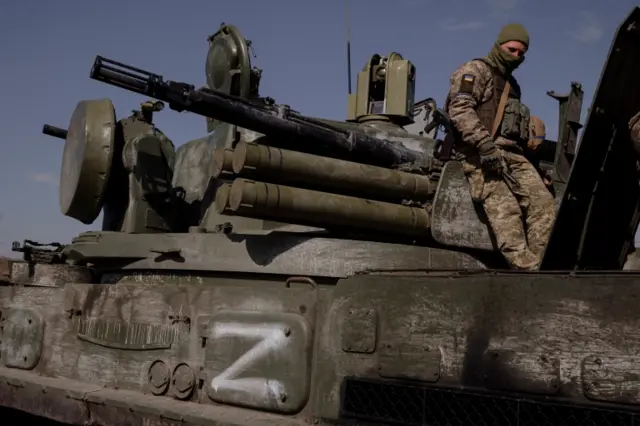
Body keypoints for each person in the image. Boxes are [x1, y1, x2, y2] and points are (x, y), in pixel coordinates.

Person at [444, 23, 556, 270]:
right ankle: (525, 271)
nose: (516, 56)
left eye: (521, 53)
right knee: (507, 212)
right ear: (499, 45)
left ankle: (539, 267)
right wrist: (485, 146)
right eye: (512, 49)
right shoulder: (475, 70)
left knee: (545, 206)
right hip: (478, 154)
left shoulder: (511, 85)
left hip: (512, 156)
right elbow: (460, 108)